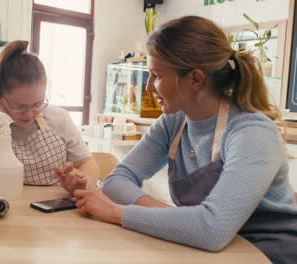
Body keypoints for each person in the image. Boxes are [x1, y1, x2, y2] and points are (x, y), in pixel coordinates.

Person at [74, 16, 297, 263]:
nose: (148, 88)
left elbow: (212, 230)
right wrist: (184, 222)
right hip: (206, 250)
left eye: (156, 75)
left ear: (195, 79)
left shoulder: (253, 133)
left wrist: (117, 213)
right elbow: (117, 181)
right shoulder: (175, 122)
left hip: (267, 253)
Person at [0, 40, 99, 195]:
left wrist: (80, 181)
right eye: (19, 106)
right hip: (1, 211)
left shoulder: (59, 119)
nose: (29, 114)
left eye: (37, 104)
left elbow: (87, 163)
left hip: (55, 212)